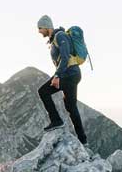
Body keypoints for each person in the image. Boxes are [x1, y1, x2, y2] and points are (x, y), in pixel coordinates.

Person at [37, 15, 87, 145]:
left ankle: (56, 121)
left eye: (40, 28)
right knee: (71, 106)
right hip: (71, 74)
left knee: (43, 91)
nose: (39, 31)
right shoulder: (54, 39)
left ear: (47, 27)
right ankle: (83, 140)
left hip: (69, 74)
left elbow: (65, 57)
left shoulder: (60, 36)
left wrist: (57, 75)